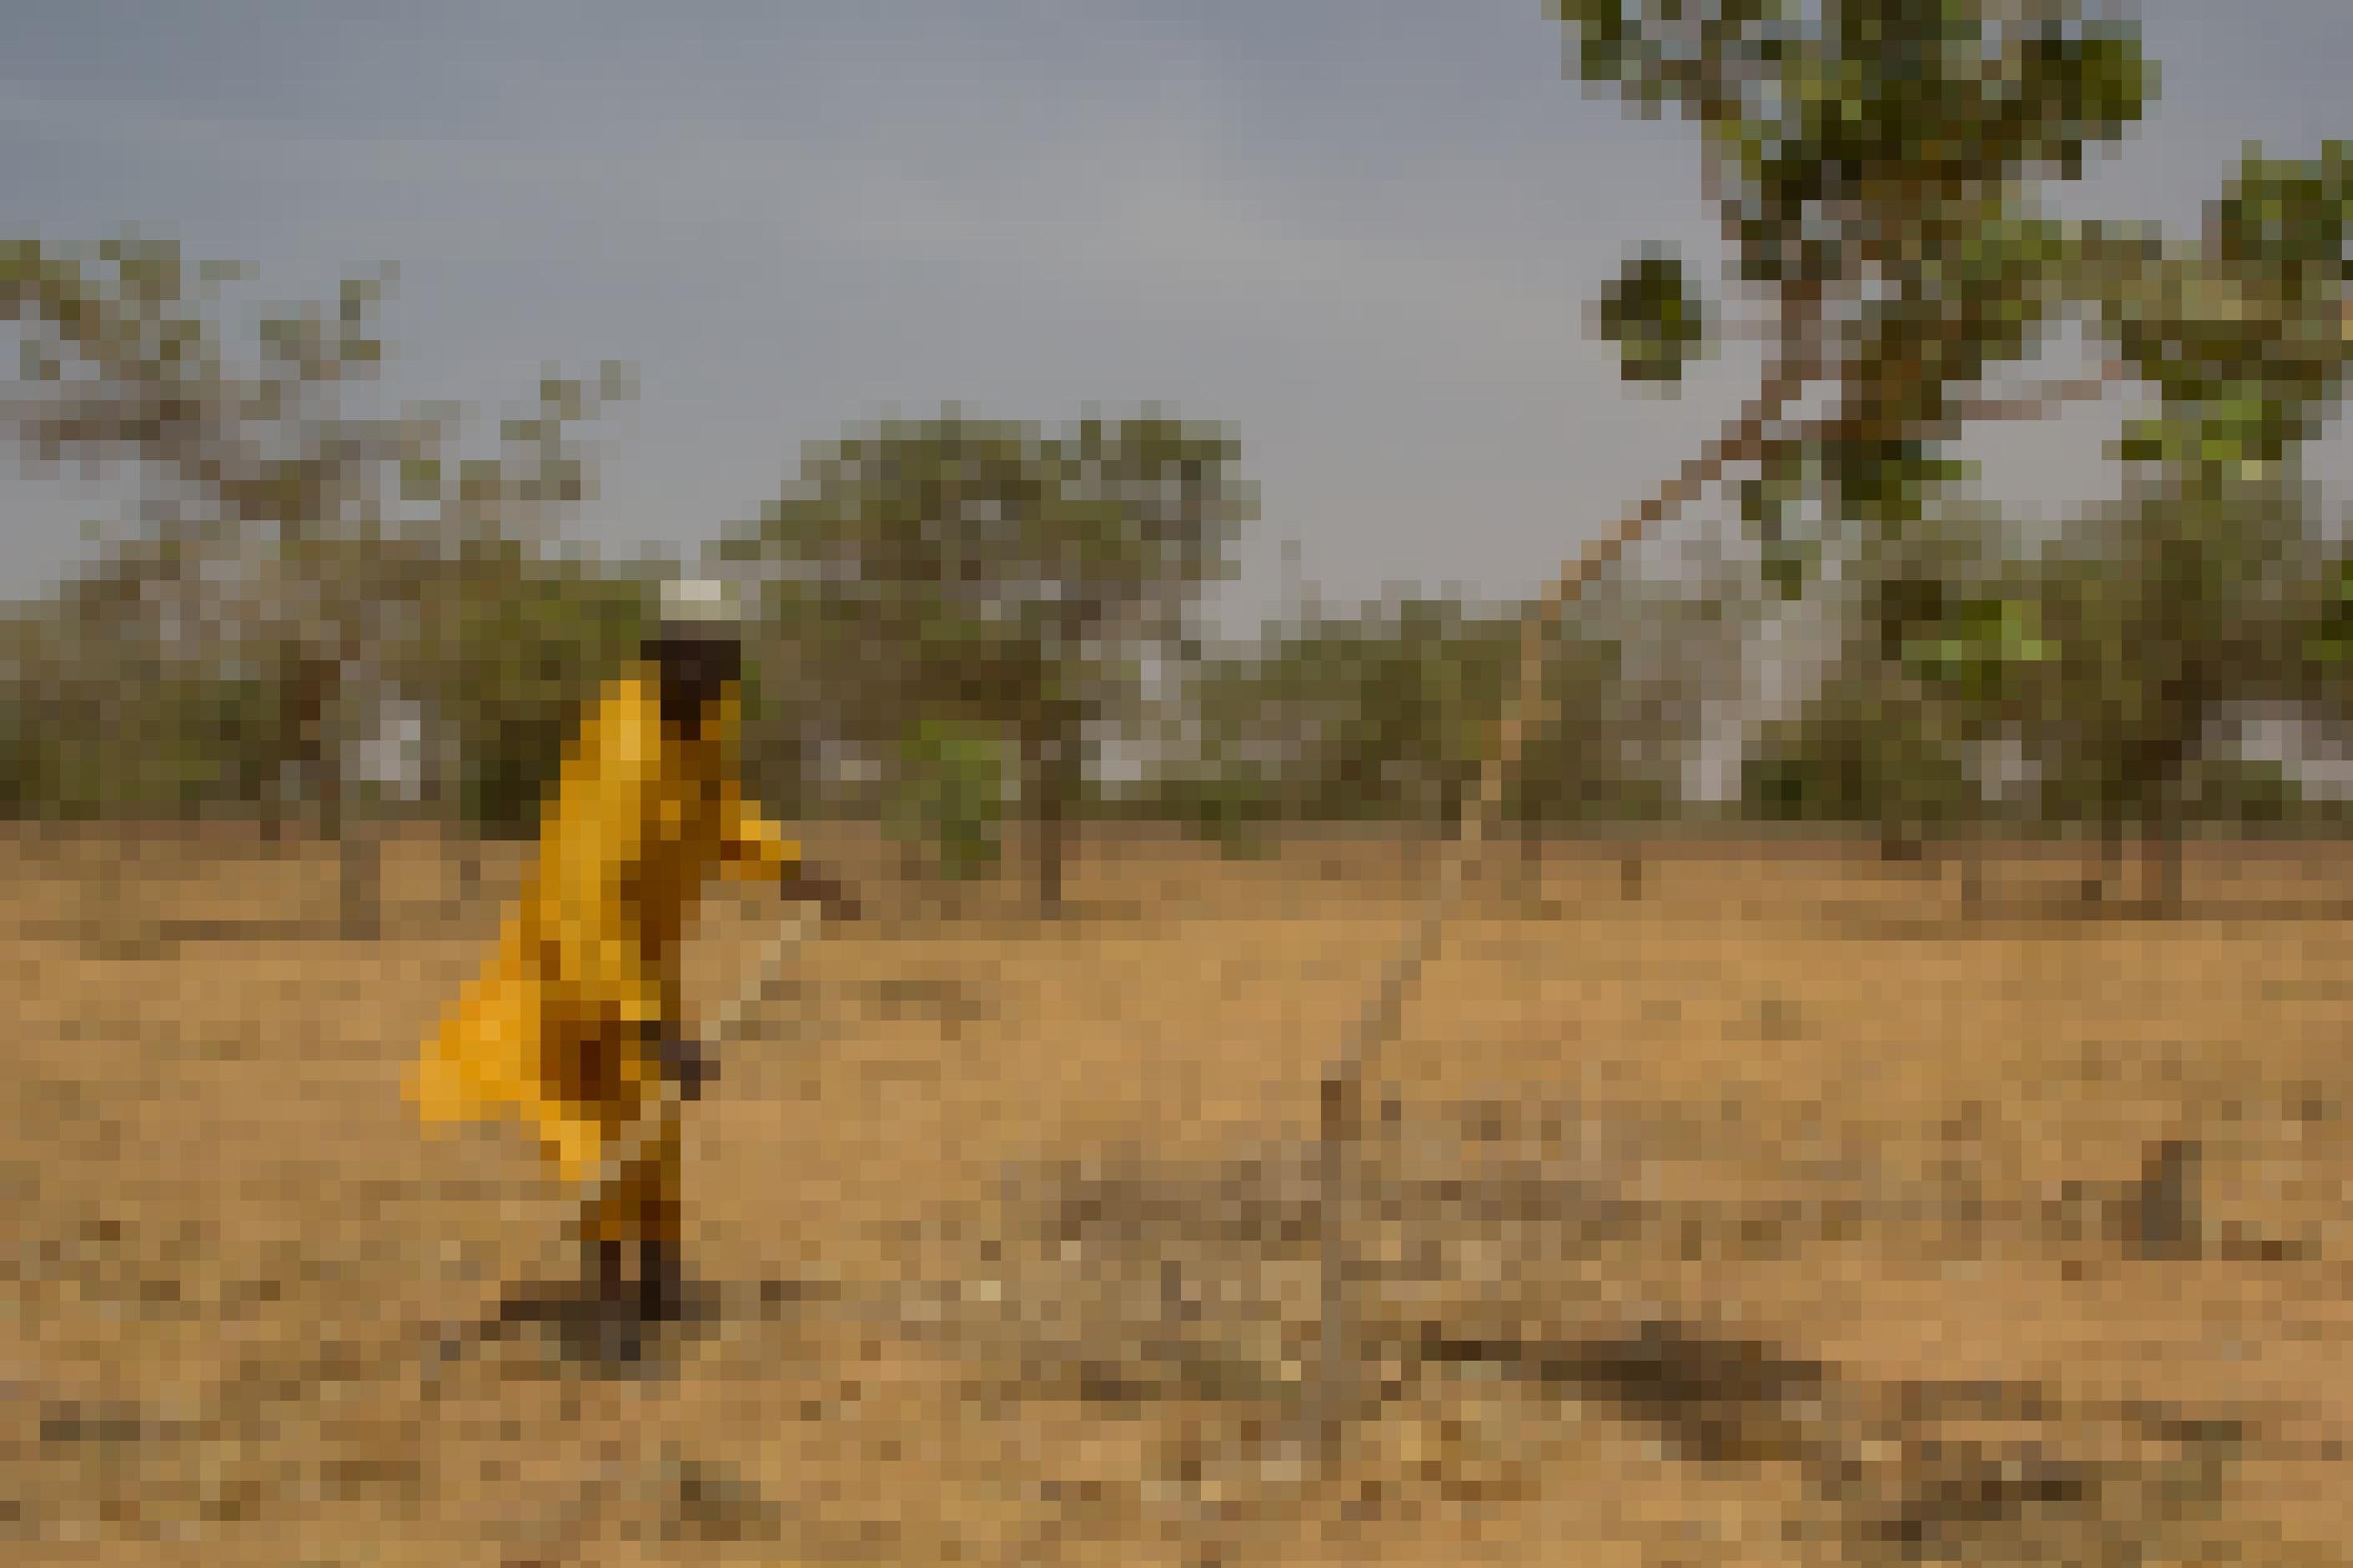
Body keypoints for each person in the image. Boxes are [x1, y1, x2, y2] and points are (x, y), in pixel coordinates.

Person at [409, 577, 859, 1329]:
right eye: (695, 658)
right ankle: (608, 1304)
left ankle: (659, 1284)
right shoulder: (626, 749)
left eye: (722, 660)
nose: (710, 675)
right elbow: (584, 898)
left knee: (659, 1120)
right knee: (601, 1130)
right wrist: (646, 1024)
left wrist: (791, 867)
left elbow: (719, 814)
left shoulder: (701, 727)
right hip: (577, 961)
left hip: (644, 958)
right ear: (661, 656)